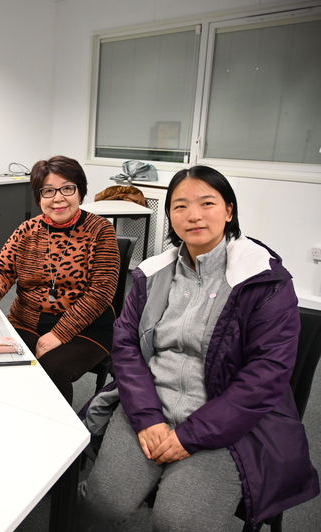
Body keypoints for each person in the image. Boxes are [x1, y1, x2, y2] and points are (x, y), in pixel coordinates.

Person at [76, 166, 319, 531]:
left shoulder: (263, 281)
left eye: (207, 203)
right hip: (148, 406)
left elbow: (266, 374)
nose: (193, 215)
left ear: (229, 210)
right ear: (170, 216)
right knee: (102, 504)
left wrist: (190, 436)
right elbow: (125, 345)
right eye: (180, 206)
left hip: (225, 422)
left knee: (179, 522)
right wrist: (147, 417)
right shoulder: (152, 274)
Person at [0, 156, 120, 404]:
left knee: (52, 367)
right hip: (27, 321)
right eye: (48, 191)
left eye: (67, 188)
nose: (58, 198)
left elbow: (101, 292)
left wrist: (60, 333)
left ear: (80, 192)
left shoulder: (100, 230)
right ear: (39, 198)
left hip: (86, 328)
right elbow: (2, 269)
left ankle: (57, 427)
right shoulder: (27, 230)